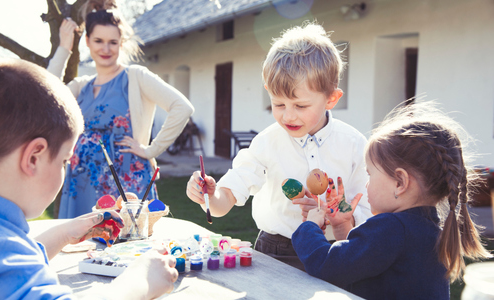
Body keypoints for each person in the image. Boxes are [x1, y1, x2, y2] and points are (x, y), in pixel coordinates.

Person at [186, 23, 372, 269]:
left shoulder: (354, 145)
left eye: (301, 106)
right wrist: (210, 196)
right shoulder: (266, 142)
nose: (288, 117)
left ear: (331, 99)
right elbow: (226, 199)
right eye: (279, 104)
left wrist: (337, 215)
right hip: (278, 251)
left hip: (337, 248)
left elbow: (370, 211)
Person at [0, 57, 178, 299]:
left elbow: (15, 261)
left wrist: (64, 233)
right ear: (33, 158)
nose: (65, 168)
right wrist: (141, 281)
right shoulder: (5, 249)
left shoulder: (5, 242)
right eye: (64, 161)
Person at [291, 101, 493, 299]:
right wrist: (344, 226)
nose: (367, 184)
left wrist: (309, 227)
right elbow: (361, 265)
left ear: (400, 183)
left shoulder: (391, 228)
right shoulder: (429, 230)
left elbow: (328, 267)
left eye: (370, 175)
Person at [48, 4, 194, 219]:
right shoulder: (81, 87)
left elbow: (182, 107)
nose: (105, 49)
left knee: (127, 246)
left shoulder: (135, 77)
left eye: (112, 42)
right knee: (83, 247)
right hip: (82, 183)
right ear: (87, 41)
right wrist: (64, 48)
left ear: (121, 44)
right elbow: (46, 95)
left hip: (126, 181)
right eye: (98, 41)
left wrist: (151, 150)